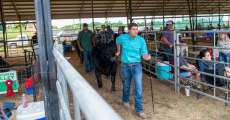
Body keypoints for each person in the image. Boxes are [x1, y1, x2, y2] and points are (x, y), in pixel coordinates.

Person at [116, 23, 151, 119]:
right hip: (125, 66)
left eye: (137, 29)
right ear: (129, 30)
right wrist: (119, 51)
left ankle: (139, 110)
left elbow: (144, 54)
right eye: (134, 29)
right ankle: (125, 100)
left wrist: (147, 57)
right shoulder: (122, 37)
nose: (136, 31)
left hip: (137, 66)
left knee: (138, 87)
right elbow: (117, 41)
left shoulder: (141, 40)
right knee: (126, 85)